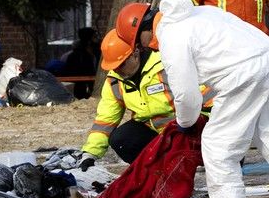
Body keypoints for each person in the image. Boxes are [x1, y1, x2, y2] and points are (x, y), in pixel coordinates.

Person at [116, 0, 269, 198]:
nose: (145, 49)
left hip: (244, 76)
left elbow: (186, 95)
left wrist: (184, 123)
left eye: (140, 44)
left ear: (142, 30)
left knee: (218, 147)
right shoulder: (201, 13)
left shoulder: (171, 36)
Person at [79, 29, 212, 168]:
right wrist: (90, 153)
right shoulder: (114, 81)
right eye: (114, 67)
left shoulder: (167, 65)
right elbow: (105, 120)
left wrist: (201, 124)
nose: (117, 70)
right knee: (121, 139)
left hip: (187, 128)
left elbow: (206, 94)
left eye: (121, 64)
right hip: (155, 133)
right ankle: (159, 171)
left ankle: (191, 159)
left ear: (135, 53)